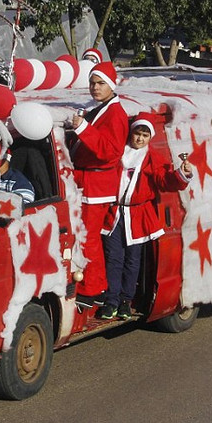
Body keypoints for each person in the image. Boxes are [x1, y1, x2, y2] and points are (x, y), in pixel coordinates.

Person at [97, 115, 192, 320]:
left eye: (144, 135)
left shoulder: (152, 158)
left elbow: (164, 180)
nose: (139, 139)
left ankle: (125, 301)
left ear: (150, 137)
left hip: (138, 215)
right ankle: (111, 300)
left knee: (132, 261)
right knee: (113, 259)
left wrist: (182, 174)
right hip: (113, 214)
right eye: (137, 134)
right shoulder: (118, 152)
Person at [70, 61, 129, 307]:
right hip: (88, 182)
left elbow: (110, 152)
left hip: (97, 185)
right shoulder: (100, 109)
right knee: (85, 237)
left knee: (89, 238)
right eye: (92, 83)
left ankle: (92, 288)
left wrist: (82, 128)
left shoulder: (116, 114)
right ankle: (91, 284)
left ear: (111, 86)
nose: (95, 88)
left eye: (100, 83)